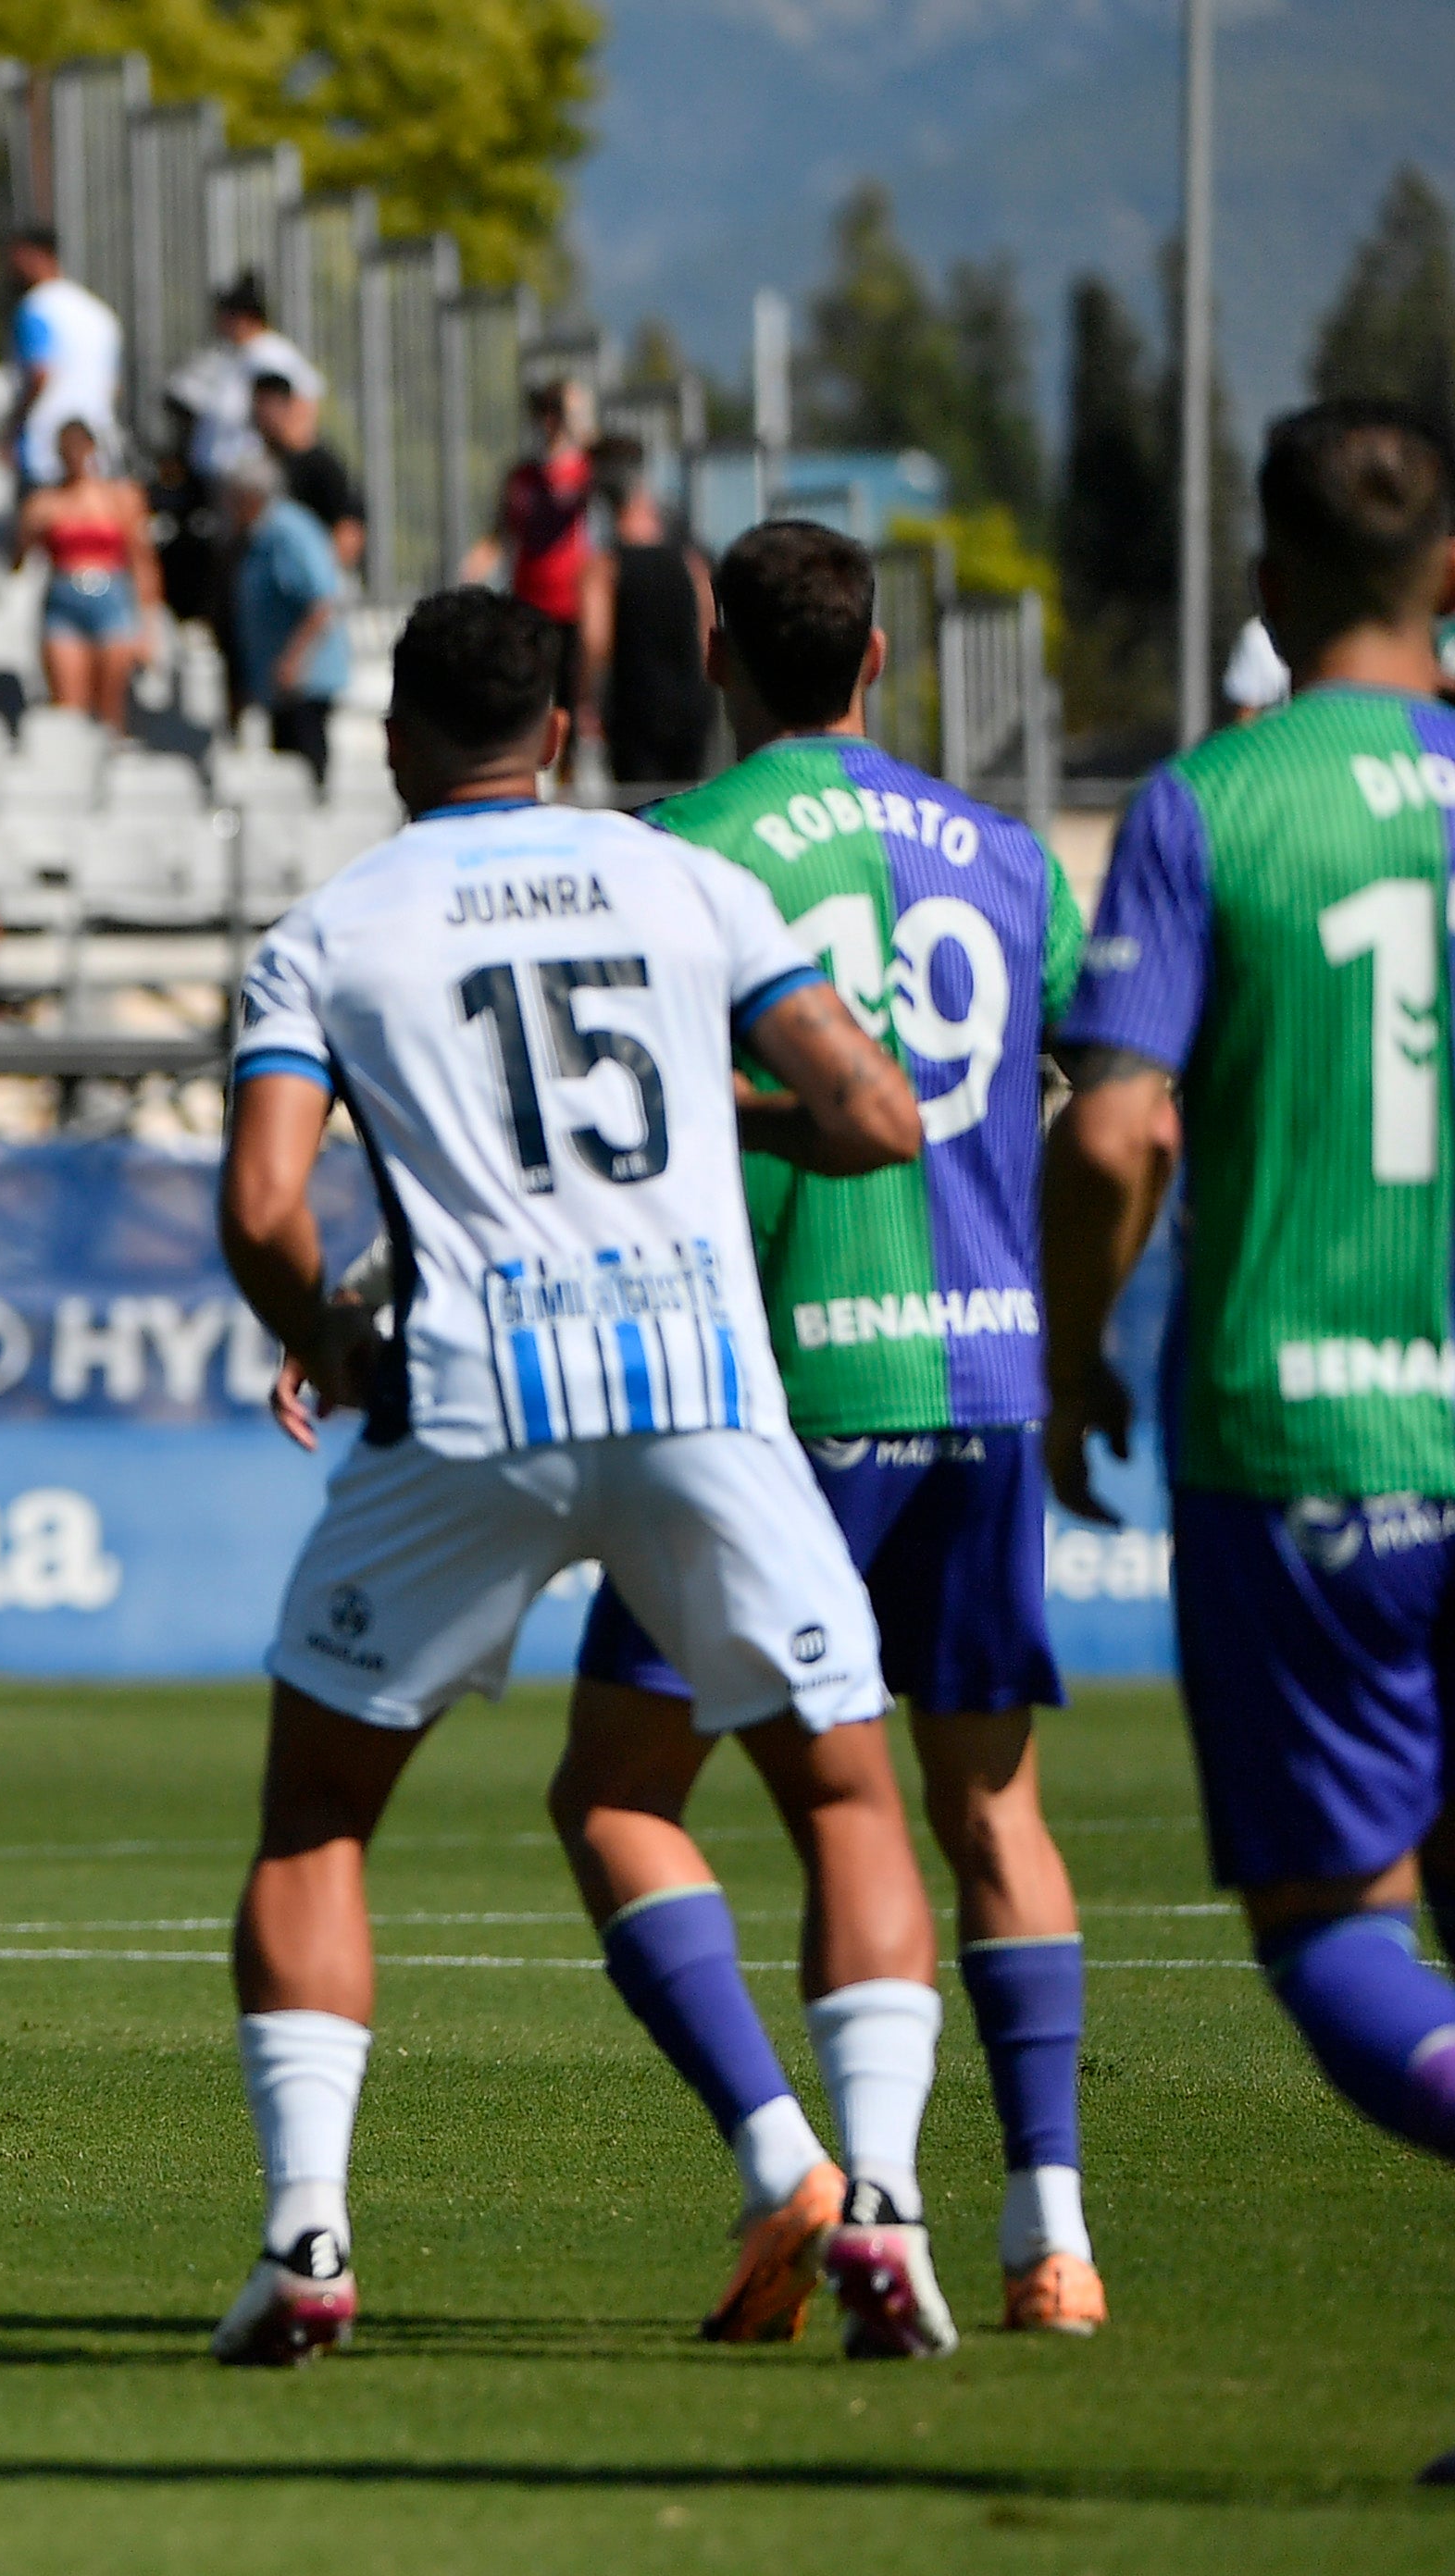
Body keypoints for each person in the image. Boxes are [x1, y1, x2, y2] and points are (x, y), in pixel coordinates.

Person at [211, 585, 929, 2369]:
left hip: (469, 1397)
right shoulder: (687, 878)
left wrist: (342, 1338)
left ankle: (309, 2239)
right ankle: (893, 2208)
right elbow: (873, 1115)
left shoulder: (327, 929)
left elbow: (260, 1211)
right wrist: (716, 1100)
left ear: (391, 735)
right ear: (565, 728)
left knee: (318, 1820)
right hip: (699, 1388)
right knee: (842, 1797)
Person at [565, 521, 1104, 2337]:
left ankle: (793, 2155)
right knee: (989, 1808)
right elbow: (1104, 1101)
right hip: (986, 1377)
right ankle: (1053, 2238)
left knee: (623, 1791)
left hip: (774, 1399)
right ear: (879, 664)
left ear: (720, 658)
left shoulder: (677, 856)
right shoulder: (1019, 860)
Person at [1042, 407, 1455, 2467]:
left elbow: (1117, 1125)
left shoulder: (1219, 803)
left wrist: (1070, 1347)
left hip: (1305, 1437)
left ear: (1270, 596)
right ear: (1449, 577)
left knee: (1335, 1928)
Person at [468, 380, 599, 774]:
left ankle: (570, 773)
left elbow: (600, 464)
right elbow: (502, 529)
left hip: (571, 602)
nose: (548, 423)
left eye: (554, 413)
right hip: (529, 600)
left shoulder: (583, 472)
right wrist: (480, 559)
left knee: (570, 698)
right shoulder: (520, 477)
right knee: (528, 693)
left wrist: (577, 424)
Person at [586, 439, 718, 790]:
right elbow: (708, 633)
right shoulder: (690, 561)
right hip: (691, 708)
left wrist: (587, 703)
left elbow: (594, 644)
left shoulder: (605, 568)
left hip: (634, 712)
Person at [18, 417, 160, 732]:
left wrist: (148, 625)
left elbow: (141, 560)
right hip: (65, 597)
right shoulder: (45, 502)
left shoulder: (120, 497)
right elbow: (18, 558)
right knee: (69, 708)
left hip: (111, 597)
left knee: (111, 704)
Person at [226, 454, 348, 787]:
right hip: (279, 686)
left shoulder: (289, 532)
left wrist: (293, 661)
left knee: (306, 773)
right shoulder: (258, 535)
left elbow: (322, 602)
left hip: (303, 681)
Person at [2, 223, 124, 496]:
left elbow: (39, 375)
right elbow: (113, 387)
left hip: (45, 449)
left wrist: (11, 428)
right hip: (97, 450)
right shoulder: (97, 312)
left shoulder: (35, 308)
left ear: (35, 256)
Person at [164, 274, 319, 486]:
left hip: (246, 478)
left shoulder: (270, 353)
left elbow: (304, 403)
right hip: (219, 477)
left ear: (245, 318)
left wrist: (288, 456)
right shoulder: (236, 354)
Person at [251, 369, 365, 575]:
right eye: (258, 404)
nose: (262, 413)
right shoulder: (261, 463)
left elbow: (349, 527)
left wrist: (320, 577)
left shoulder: (319, 464)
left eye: (269, 404)